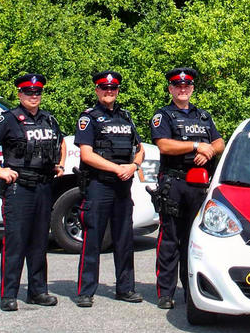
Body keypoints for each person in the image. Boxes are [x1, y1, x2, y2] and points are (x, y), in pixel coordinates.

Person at [0, 73, 65, 312]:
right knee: (16, 241)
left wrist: (60, 164)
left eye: (37, 92)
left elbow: (61, 142)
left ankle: (38, 291)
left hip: (44, 186)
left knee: (39, 241)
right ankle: (9, 294)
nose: (33, 96)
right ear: (19, 94)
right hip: (19, 188)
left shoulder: (48, 119)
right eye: (28, 92)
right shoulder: (8, 119)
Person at [151, 67, 224, 310]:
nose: (183, 90)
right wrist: (196, 146)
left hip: (199, 185)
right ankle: (165, 292)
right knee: (170, 239)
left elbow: (219, 142)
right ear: (171, 89)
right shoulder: (164, 115)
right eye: (177, 86)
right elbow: (164, 145)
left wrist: (209, 151)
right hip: (173, 183)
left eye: (187, 86)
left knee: (195, 239)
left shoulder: (203, 116)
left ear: (192, 89)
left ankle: (192, 291)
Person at [74, 71, 145, 308]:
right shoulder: (89, 118)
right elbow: (86, 154)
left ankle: (125, 288)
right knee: (92, 238)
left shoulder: (126, 117)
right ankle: (86, 291)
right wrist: (117, 168)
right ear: (96, 90)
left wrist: (134, 165)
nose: (109, 92)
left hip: (122, 185)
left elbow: (140, 148)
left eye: (113, 89)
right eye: (104, 88)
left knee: (124, 239)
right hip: (99, 185)